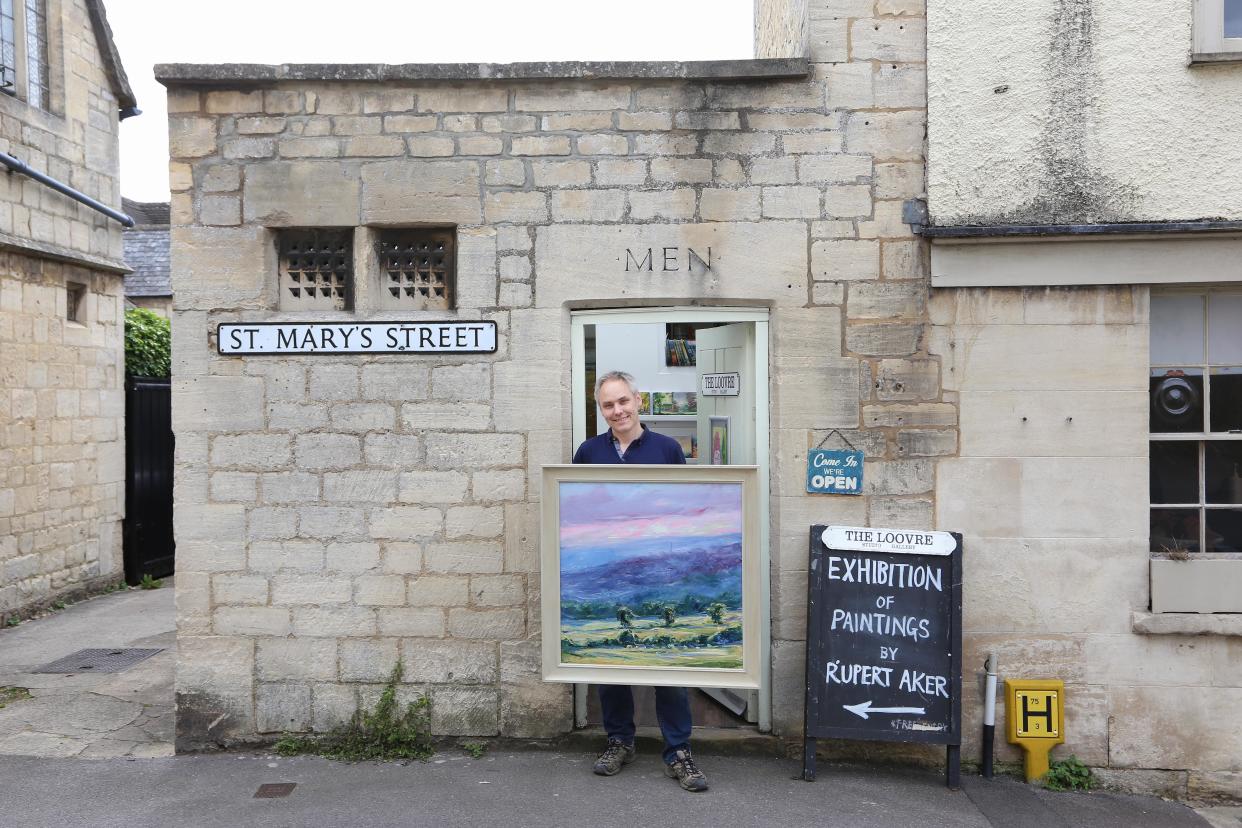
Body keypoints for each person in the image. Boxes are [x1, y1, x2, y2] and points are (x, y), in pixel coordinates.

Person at [571, 370, 709, 793]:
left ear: (638, 400)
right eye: (608, 405)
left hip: (660, 572)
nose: (618, 411)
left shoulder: (667, 449)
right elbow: (579, 512)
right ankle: (619, 741)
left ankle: (678, 751)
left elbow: (683, 511)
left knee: (669, 662)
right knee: (611, 659)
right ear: (601, 410)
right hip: (609, 573)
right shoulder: (588, 452)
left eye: (623, 402)